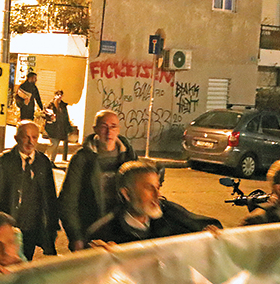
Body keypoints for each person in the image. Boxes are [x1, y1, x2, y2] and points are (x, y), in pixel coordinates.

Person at [87, 160, 221, 245]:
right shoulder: (104, 233)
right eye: (149, 188)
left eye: (157, 187)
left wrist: (210, 232)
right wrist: (99, 257)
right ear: (126, 194)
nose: (158, 195)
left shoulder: (171, 214)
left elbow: (206, 226)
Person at [58, 109, 137, 251]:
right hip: (92, 231)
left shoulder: (129, 157)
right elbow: (68, 201)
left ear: (119, 129)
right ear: (95, 129)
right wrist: (75, 236)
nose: (109, 132)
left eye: (113, 127)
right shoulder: (82, 159)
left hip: (123, 231)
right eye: (104, 127)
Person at [0, 121, 58, 260]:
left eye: (34, 137)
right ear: (16, 138)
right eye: (26, 137)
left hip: (32, 225)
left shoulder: (43, 162)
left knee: (26, 260)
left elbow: (50, 195)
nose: (30, 141)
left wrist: (51, 227)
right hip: (10, 225)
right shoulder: (3, 162)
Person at [44, 90, 72, 165]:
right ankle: (46, 158)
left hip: (60, 129)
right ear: (55, 95)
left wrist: (68, 128)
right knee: (54, 144)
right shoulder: (50, 105)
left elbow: (66, 117)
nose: (59, 96)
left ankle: (51, 161)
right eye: (58, 94)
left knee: (56, 146)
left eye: (61, 95)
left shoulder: (63, 106)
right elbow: (46, 115)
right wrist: (51, 117)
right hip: (52, 128)